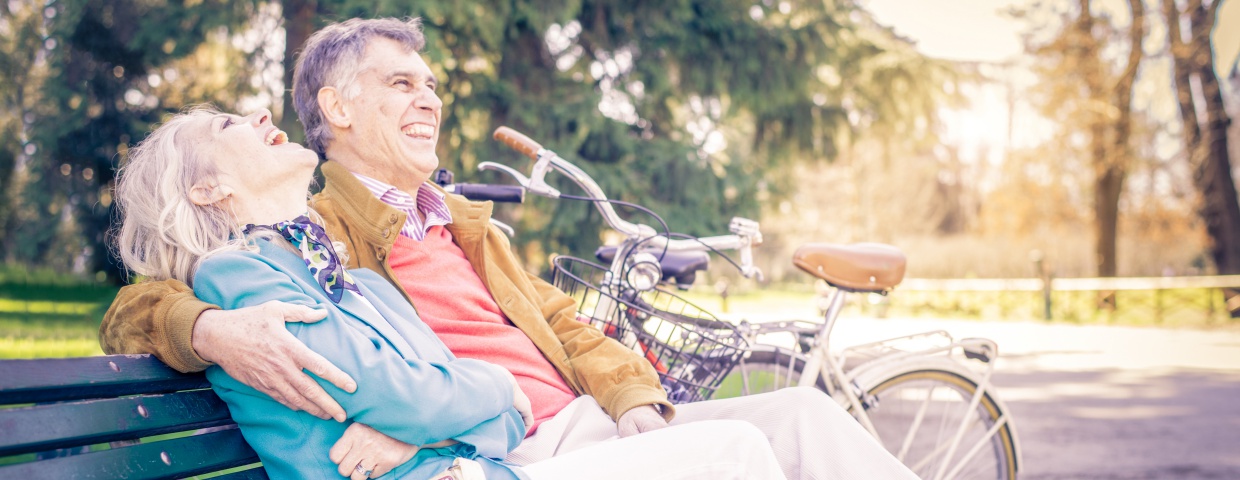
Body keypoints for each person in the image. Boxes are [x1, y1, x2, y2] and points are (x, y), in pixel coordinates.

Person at [101, 17, 917, 479]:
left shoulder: (459, 221)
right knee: (739, 453)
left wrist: (631, 396)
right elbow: (148, 298)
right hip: (509, 448)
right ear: (337, 110)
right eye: (400, 84)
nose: (430, 99)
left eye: (430, 84)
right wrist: (205, 328)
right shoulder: (316, 232)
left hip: (576, 424)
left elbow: (559, 322)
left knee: (806, 416)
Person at [112, 105, 787, 480]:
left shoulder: (347, 274)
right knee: (738, 453)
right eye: (233, 126)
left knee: (764, 435)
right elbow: (404, 394)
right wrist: (497, 388)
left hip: (477, 470)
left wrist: (432, 429)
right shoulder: (239, 277)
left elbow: (486, 415)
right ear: (209, 190)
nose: (261, 115)